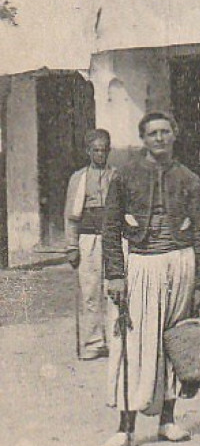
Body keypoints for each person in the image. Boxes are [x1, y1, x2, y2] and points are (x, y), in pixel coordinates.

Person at [99, 111, 200, 446]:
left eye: (165, 132)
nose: (159, 138)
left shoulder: (189, 178)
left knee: (173, 341)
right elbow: (110, 228)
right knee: (133, 343)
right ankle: (125, 428)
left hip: (181, 264)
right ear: (143, 139)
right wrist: (115, 275)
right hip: (141, 267)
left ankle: (167, 420)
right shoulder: (125, 176)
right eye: (152, 133)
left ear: (175, 135)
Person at [64, 129, 116, 361]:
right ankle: (95, 341)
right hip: (89, 240)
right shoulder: (79, 178)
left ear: (109, 151)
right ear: (88, 152)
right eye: (95, 150)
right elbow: (71, 216)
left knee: (115, 289)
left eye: (104, 150)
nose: (100, 154)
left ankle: (117, 340)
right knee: (90, 291)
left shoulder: (117, 176)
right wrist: (71, 246)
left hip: (114, 240)